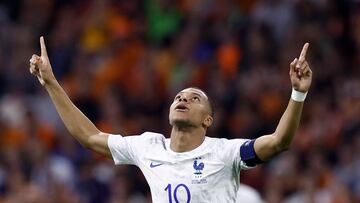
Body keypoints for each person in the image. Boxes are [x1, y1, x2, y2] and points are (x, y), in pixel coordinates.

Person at [29, 36, 312, 202]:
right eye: (179, 96)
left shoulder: (225, 153)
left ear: (208, 120)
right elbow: (89, 137)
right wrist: (51, 84)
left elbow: (278, 142)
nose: (183, 99)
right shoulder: (148, 147)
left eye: (194, 98)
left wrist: (297, 95)